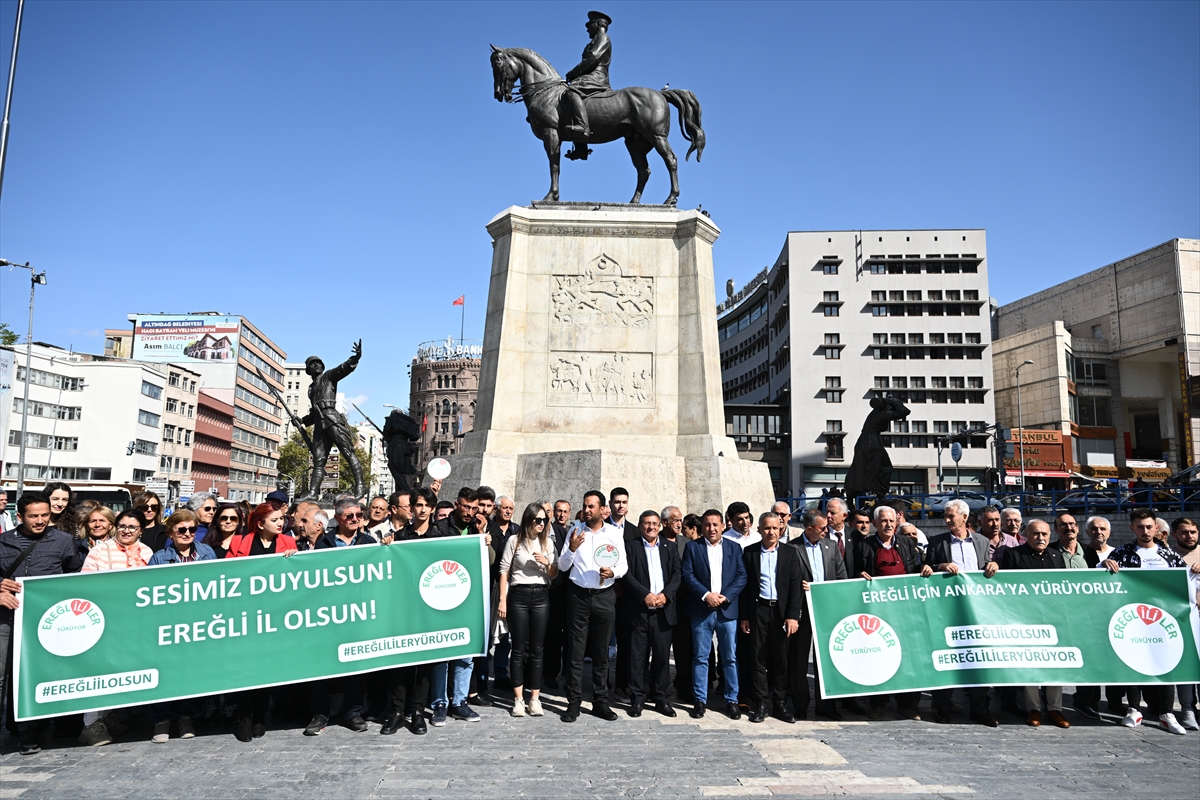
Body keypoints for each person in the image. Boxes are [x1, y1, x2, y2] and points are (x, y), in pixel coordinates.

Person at [0, 493, 83, 754]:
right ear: (20, 516)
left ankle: (29, 732)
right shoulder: (2, 542)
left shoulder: (65, 541)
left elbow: (76, 577)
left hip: (47, 622)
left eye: (44, 515)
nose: (40, 521)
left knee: (36, 675)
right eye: (33, 516)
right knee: (2, 677)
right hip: (7, 621)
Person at [1102, 508, 1196, 735]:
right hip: (1131, 619)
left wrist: (1195, 572)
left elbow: (1185, 585)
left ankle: (1167, 713)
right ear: (1132, 528)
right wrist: (1104, 566)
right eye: (1140, 527)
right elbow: (1102, 582)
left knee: (1165, 664)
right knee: (1132, 661)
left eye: (1149, 526)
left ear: (1156, 527)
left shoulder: (1170, 556)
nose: (1145, 531)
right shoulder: (1121, 554)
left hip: (1161, 622)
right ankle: (1134, 709)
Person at [220, 503, 296, 740]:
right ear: (260, 523)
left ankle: (261, 715)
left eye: (281, 519)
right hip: (246, 613)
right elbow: (226, 575)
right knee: (246, 665)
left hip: (275, 614)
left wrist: (294, 561)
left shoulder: (289, 544)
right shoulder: (239, 542)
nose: (280, 523)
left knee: (267, 666)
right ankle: (244, 716)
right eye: (275, 520)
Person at [922, 498, 1000, 726]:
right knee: (946, 659)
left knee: (977, 661)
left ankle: (979, 709)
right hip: (946, 612)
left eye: (950, 516)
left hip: (975, 612)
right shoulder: (936, 542)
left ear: (964, 518)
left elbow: (987, 567)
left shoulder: (983, 542)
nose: (946, 521)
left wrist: (994, 566)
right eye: (945, 516)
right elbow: (925, 569)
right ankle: (942, 707)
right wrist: (939, 567)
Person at [75, 509, 151, 745]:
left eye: (133, 527)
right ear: (116, 527)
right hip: (105, 619)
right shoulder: (99, 551)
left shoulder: (147, 552)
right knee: (99, 671)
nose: (127, 531)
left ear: (140, 530)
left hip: (135, 621)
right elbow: (85, 584)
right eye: (123, 526)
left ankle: (109, 717)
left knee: (122, 672)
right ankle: (90, 723)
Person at [557, 490, 628, 722]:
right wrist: (573, 548)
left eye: (591, 507)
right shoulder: (575, 532)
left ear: (601, 509)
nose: (586, 510)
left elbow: (623, 564)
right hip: (578, 596)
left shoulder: (615, 533)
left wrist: (613, 572)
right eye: (585, 506)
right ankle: (574, 703)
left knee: (601, 653)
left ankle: (600, 702)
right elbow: (562, 565)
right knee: (575, 653)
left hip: (604, 596)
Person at [998, 520, 1071, 729]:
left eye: (1045, 534)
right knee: (1030, 663)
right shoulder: (1014, 555)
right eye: (1036, 534)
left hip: (1052, 619)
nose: (1041, 538)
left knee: (1054, 664)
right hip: (1025, 620)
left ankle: (1055, 709)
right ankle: (1034, 709)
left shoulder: (1057, 556)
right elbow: (1007, 589)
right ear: (1026, 535)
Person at [853, 506, 922, 720]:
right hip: (878, 612)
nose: (889, 525)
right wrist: (859, 576)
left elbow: (919, 568)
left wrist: (928, 568)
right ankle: (878, 703)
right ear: (875, 524)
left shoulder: (909, 543)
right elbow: (852, 572)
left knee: (908, 657)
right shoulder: (863, 546)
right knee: (879, 657)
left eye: (892, 521)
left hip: (905, 610)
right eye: (883, 521)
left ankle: (908, 705)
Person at [681, 508, 747, 720]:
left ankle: (732, 700)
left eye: (715, 524)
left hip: (727, 610)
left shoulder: (734, 548)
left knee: (730, 657)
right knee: (700, 657)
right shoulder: (693, 547)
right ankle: (700, 700)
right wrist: (706, 595)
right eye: (707, 525)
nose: (711, 528)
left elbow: (741, 576)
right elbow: (688, 575)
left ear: (723, 526)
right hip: (702, 610)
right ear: (702, 527)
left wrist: (725, 596)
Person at [740, 511, 803, 724]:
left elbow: (796, 588)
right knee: (758, 658)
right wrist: (745, 616)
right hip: (758, 611)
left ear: (781, 529)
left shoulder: (790, 553)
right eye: (767, 528)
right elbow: (745, 588)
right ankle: (761, 703)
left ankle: (779, 702)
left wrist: (793, 616)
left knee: (781, 659)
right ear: (759, 530)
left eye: (775, 528)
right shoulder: (749, 553)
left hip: (781, 613)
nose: (771, 532)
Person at [433, 487, 491, 717]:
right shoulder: (440, 529)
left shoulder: (478, 528)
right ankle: (439, 702)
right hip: (442, 598)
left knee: (466, 654)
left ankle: (459, 701)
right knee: (442, 655)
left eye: (474, 508)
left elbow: (490, 562)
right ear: (457, 505)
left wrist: (482, 538)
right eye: (466, 507)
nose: (469, 512)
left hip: (469, 599)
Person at [498, 503, 559, 717]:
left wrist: (545, 563)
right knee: (518, 648)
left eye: (545, 520)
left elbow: (553, 573)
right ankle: (518, 699)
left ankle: (535, 698)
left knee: (537, 649)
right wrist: (502, 600)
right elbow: (504, 570)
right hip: (518, 594)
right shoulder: (515, 541)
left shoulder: (548, 542)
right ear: (529, 520)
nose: (542, 524)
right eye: (538, 520)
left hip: (541, 595)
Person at [619, 510, 680, 718]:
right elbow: (626, 574)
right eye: (646, 523)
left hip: (663, 612)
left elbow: (676, 575)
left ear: (660, 526)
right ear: (640, 525)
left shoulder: (670, 547)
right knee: (637, 658)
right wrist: (644, 594)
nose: (651, 527)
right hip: (638, 611)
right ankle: (637, 699)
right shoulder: (630, 546)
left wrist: (666, 595)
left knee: (662, 658)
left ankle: (662, 699)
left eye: (654, 523)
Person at [788, 509, 847, 719]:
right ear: (810, 528)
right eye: (822, 528)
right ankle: (800, 706)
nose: (827, 530)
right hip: (802, 613)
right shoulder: (792, 549)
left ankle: (827, 707)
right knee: (799, 661)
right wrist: (799, 588)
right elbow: (787, 582)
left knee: (826, 661)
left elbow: (841, 577)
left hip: (827, 612)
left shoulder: (831, 547)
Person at [560, 10, 612, 155]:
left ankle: (583, 127)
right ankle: (581, 148)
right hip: (589, 76)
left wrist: (573, 73)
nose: (587, 28)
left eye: (589, 24)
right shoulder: (595, 40)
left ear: (597, 24)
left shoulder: (603, 38)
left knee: (571, 92)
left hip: (596, 77)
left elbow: (593, 58)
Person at [1168, 517, 1199, 731]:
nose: (1190, 536)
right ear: (1174, 535)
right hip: (1182, 620)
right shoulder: (1167, 557)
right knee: (1186, 663)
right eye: (1184, 532)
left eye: (1193, 532)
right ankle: (1187, 708)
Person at [148, 511, 218, 565]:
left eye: (192, 529)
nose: (187, 534)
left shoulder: (208, 552)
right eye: (182, 530)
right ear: (170, 533)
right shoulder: (158, 558)